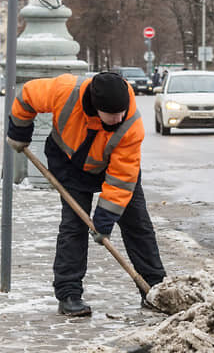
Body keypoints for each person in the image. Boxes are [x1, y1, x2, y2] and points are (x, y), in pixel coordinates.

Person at [6, 72, 166, 317]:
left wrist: (104, 220)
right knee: (74, 226)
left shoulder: (130, 124)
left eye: (121, 112)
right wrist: (19, 131)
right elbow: (27, 96)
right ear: (96, 106)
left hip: (113, 168)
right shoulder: (64, 91)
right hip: (68, 162)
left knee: (138, 225)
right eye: (112, 114)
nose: (119, 118)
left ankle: (155, 288)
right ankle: (69, 294)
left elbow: (121, 178)